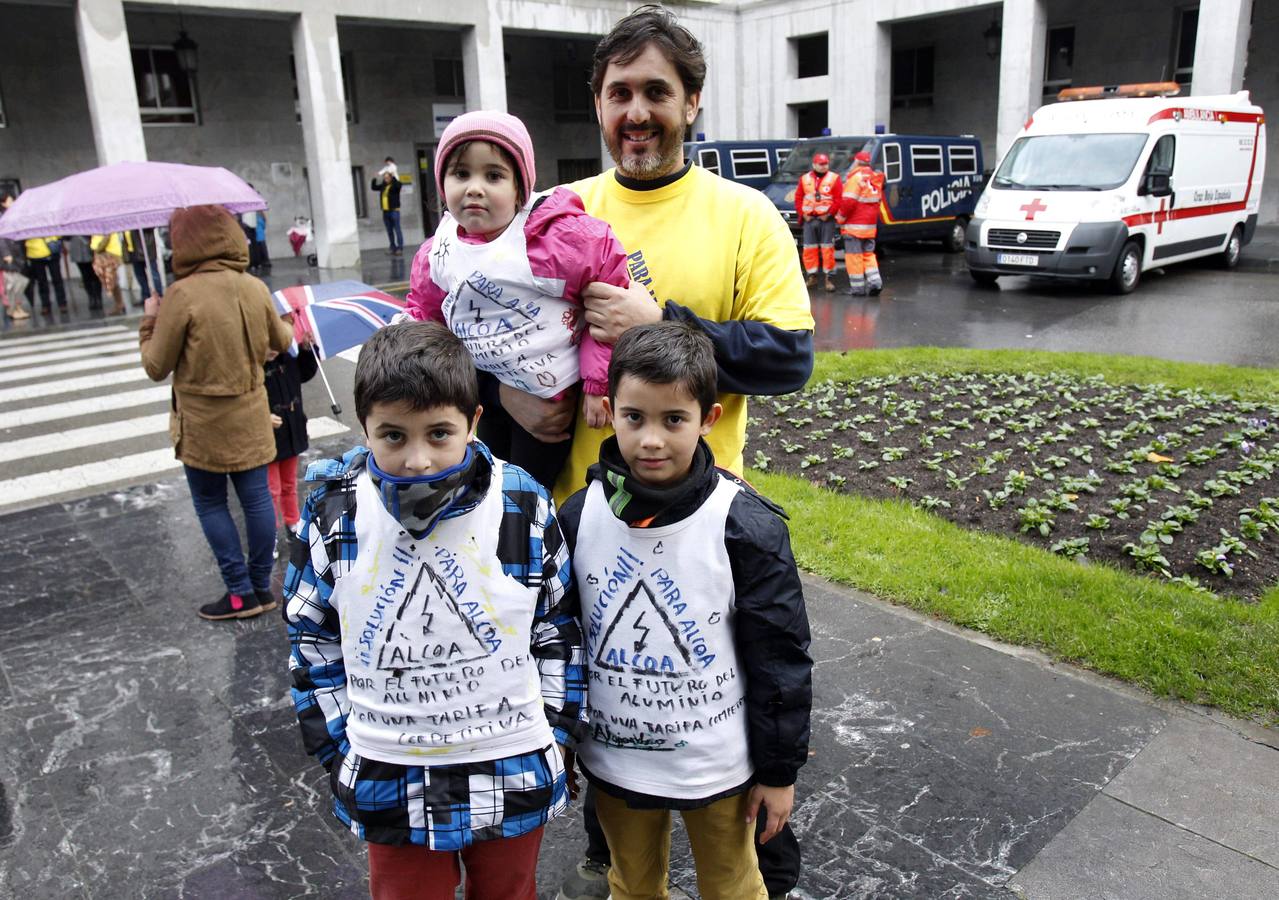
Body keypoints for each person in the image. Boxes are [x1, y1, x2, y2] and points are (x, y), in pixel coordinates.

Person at [534, 8, 815, 899]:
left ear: (692, 103)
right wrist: (511, 396)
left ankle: (759, 847)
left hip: (704, 523)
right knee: (606, 680)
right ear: (598, 106)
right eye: (620, 93)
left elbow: (789, 356)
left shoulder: (744, 215)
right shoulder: (559, 212)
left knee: (723, 685)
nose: (637, 112)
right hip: (583, 516)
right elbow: (489, 337)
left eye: (657, 91)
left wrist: (665, 325)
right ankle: (614, 842)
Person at [282, 321, 586, 900]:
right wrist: (341, 746)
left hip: (510, 768)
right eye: (392, 436)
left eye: (439, 433)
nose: (418, 459)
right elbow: (311, 637)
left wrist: (557, 733)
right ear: (363, 426)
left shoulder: (520, 501)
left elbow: (556, 628)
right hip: (388, 778)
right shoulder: (335, 511)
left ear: (473, 421)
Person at [559, 321, 813, 900]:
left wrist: (779, 772)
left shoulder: (743, 525)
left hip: (717, 767)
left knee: (732, 886)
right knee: (633, 885)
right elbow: (560, 642)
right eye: (635, 417)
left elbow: (780, 658)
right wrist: (564, 737)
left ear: (708, 419)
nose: (651, 440)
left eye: (673, 420)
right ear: (608, 409)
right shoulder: (578, 518)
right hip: (617, 762)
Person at [403, 110, 630, 489]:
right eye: (461, 174)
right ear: (442, 184)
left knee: (524, 489)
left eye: (493, 176)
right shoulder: (436, 252)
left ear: (520, 190)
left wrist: (596, 381)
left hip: (549, 400)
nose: (475, 187)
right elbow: (425, 316)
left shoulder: (550, 241)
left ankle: (525, 537)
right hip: (484, 390)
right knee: (485, 477)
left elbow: (606, 295)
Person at [139, 204, 293, 621]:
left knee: (211, 503)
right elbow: (282, 339)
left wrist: (149, 322)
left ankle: (239, 594)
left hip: (204, 420)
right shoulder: (253, 286)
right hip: (251, 413)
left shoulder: (181, 294)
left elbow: (156, 365)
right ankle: (262, 587)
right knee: (257, 499)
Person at [263, 324, 317, 538]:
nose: (272, 350)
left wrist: (306, 350)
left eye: (276, 344)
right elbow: (244, 402)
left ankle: (292, 521)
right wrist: (262, 417)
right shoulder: (252, 369)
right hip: (268, 438)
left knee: (289, 484)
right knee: (271, 490)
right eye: (267, 344)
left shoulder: (288, 361)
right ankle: (270, 532)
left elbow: (306, 371)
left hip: (291, 433)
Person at [836, 150, 884, 296]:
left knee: (854, 257)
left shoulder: (855, 178)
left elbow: (848, 202)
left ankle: (857, 288)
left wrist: (841, 218)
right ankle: (875, 282)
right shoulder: (875, 178)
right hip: (869, 227)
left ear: (856, 162)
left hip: (854, 226)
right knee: (868, 255)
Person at [796, 152, 841, 292]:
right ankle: (812, 277)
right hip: (809, 220)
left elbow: (839, 199)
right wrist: (803, 214)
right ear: (814, 165)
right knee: (809, 249)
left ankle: (829, 278)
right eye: (821, 164)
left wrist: (829, 214)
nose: (823, 167)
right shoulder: (804, 179)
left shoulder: (834, 178)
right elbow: (798, 197)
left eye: (825, 164)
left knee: (827, 249)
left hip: (826, 220)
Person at [0, 196, 31, 320]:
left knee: (19, 282)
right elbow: (1, 238)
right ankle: (12, 309)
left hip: (15, 254)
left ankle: (17, 308)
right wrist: (6, 254)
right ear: (3, 203)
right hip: (7, 257)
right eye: (10, 200)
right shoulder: (3, 217)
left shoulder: (11, 215)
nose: (13, 203)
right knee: (11, 284)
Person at [23, 236, 67, 314]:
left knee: (57, 279)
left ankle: (62, 303)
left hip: (52, 251)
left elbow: (59, 233)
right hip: (35, 254)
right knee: (41, 281)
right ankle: (45, 304)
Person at [91, 231, 127, 315]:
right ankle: (119, 304)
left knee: (111, 279)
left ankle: (119, 304)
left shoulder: (105, 227)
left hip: (109, 255)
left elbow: (106, 239)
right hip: (104, 255)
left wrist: (98, 248)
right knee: (112, 280)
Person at [127, 229, 164, 303]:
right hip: (133, 250)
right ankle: (145, 295)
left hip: (147, 249)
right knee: (140, 275)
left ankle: (159, 295)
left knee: (154, 274)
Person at [68, 235, 103, 312]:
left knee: (95, 275)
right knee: (85, 276)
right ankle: (91, 297)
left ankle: (98, 297)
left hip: (90, 247)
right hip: (77, 250)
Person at [373, 169, 404, 256]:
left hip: (394, 210)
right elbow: (374, 187)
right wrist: (375, 178)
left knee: (397, 230)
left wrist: (394, 175)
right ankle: (392, 247)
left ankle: (400, 248)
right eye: (384, 178)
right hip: (385, 211)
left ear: (391, 177)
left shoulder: (395, 185)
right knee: (389, 230)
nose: (386, 179)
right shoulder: (383, 186)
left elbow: (399, 185)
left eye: (387, 177)